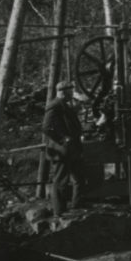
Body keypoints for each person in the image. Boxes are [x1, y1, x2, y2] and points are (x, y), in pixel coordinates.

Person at [42, 80, 85, 217]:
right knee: (60, 180)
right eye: (70, 90)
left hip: (71, 149)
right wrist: (63, 139)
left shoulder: (64, 105)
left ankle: (76, 205)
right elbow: (46, 127)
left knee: (78, 177)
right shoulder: (54, 105)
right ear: (63, 92)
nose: (72, 93)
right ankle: (59, 211)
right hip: (61, 150)